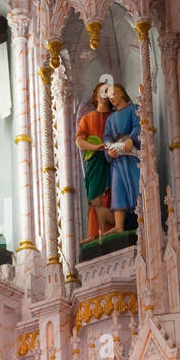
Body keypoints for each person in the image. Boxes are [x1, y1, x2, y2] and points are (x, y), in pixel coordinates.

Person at [76, 81, 115, 241]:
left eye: (108, 91)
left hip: (112, 159)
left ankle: (112, 229)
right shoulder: (87, 118)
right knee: (94, 196)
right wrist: (94, 146)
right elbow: (79, 141)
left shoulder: (115, 116)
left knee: (112, 193)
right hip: (94, 160)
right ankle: (94, 232)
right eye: (102, 91)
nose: (105, 95)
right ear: (96, 95)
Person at [101, 83, 141, 235]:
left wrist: (131, 139)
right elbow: (107, 137)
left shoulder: (133, 109)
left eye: (114, 94)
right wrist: (109, 150)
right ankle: (119, 225)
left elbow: (139, 126)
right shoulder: (110, 119)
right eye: (109, 96)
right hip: (118, 159)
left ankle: (144, 219)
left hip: (132, 156)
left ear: (122, 94)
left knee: (136, 185)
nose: (111, 98)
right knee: (118, 189)